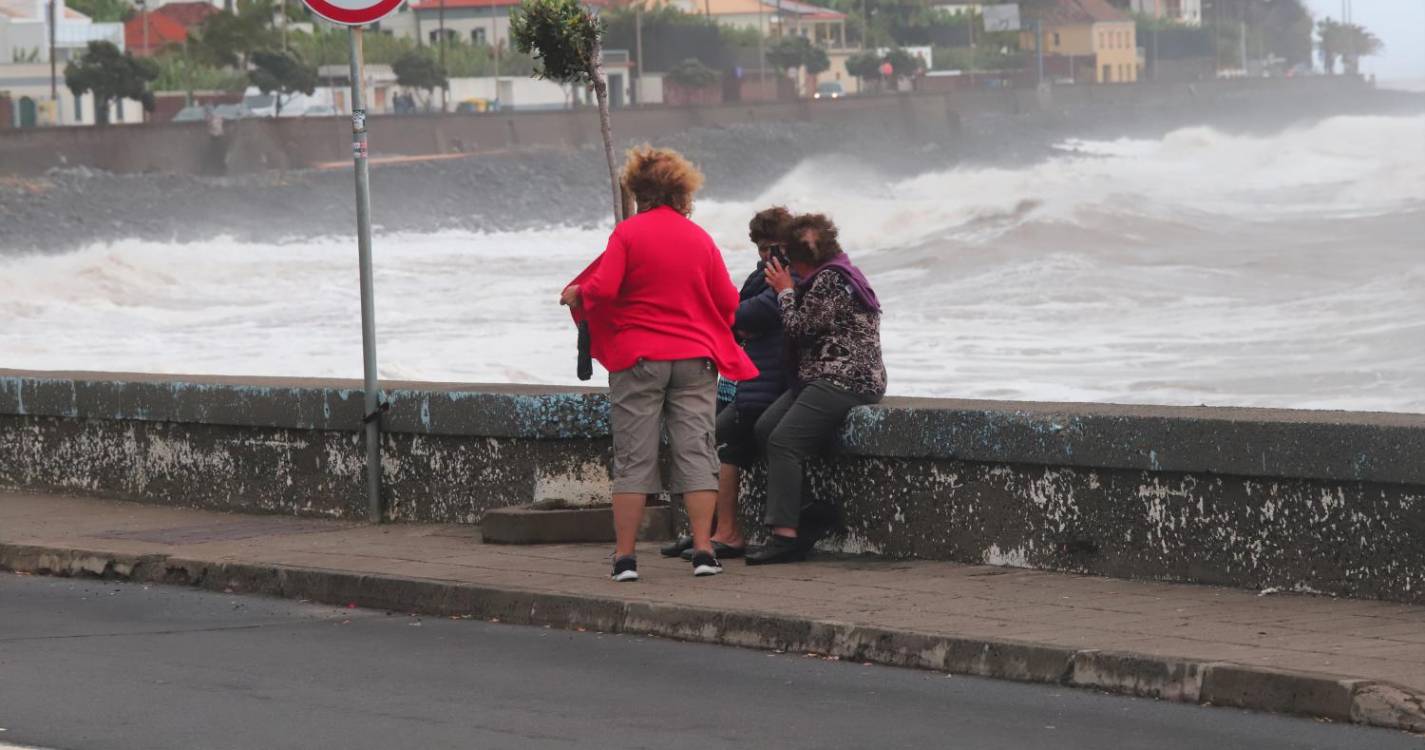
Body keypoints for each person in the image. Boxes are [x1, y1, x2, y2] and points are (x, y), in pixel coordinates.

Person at [560, 146, 758, 582]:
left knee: (635, 459)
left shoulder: (629, 235)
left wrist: (580, 294)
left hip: (640, 360)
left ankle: (626, 559)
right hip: (694, 360)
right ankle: (705, 552)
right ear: (683, 190)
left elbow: (606, 289)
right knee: (697, 452)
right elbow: (729, 302)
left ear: (637, 189)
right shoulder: (699, 238)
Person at [747, 213, 887, 566]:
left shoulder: (830, 280)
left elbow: (799, 329)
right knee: (765, 428)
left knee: (784, 441)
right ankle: (807, 510)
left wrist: (784, 292)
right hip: (820, 376)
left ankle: (786, 536)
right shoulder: (834, 273)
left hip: (847, 379)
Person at [662, 206, 795, 561]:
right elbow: (735, 313)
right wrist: (735, 319)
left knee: (720, 440)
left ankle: (726, 533)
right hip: (749, 382)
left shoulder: (790, 275)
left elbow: (752, 312)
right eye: (761, 248)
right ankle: (707, 531)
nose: (766, 256)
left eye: (772, 247)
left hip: (769, 384)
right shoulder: (761, 275)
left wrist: (734, 318)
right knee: (708, 441)